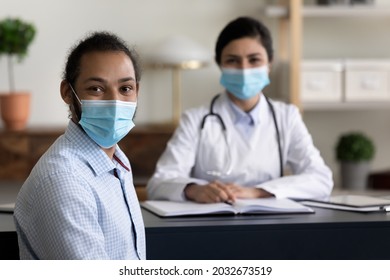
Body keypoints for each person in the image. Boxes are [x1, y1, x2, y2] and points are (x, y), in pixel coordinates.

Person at [146, 17, 333, 204]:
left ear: (269, 64)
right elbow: (159, 183)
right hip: (212, 224)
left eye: (254, 60)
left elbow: (321, 179)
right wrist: (193, 190)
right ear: (220, 65)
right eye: (233, 60)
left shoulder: (286, 117)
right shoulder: (195, 119)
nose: (244, 69)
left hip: (269, 225)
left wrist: (258, 192)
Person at [13, 32, 145, 259]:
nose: (114, 102)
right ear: (67, 92)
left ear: (136, 91)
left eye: (125, 89)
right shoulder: (63, 179)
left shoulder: (117, 161)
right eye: (96, 89)